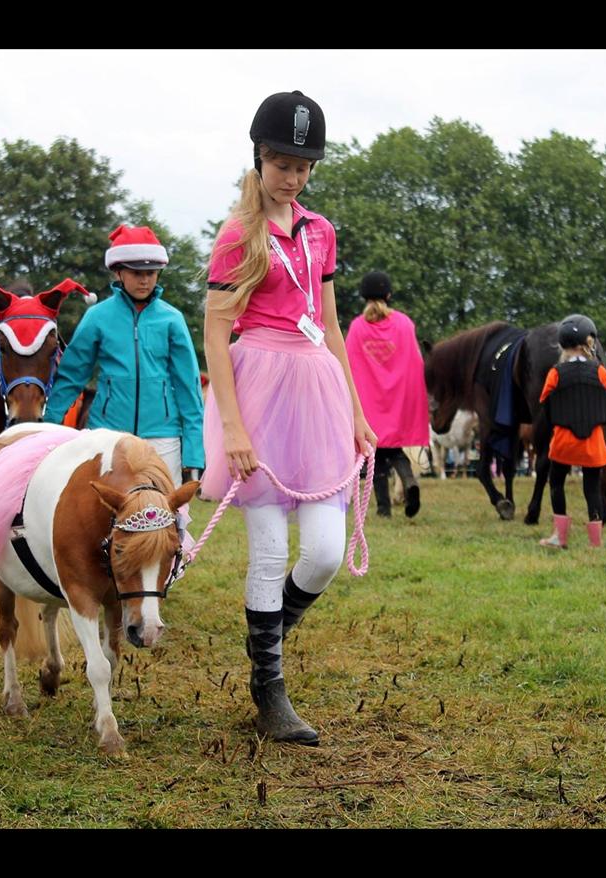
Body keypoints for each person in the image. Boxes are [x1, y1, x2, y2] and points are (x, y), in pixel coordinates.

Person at [202, 90, 377, 745]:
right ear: (259, 157)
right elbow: (216, 334)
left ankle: (265, 638)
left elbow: (329, 324)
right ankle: (269, 690)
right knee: (272, 551)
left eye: (304, 166)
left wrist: (355, 409)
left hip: (319, 390)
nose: (293, 177)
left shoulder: (321, 231)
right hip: (260, 390)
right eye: (282, 164)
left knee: (326, 554)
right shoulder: (236, 236)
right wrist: (234, 428)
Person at [44, 224, 205, 493]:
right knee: (102, 511)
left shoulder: (172, 320)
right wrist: (48, 427)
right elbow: (71, 376)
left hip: (163, 436)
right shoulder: (97, 317)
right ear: (118, 272)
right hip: (107, 435)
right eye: (136, 273)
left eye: (151, 273)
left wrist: (194, 454)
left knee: (165, 512)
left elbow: (189, 388)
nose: (145, 280)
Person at [344, 271, 429, 518]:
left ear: (363, 296)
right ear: (389, 295)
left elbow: (349, 365)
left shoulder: (358, 327)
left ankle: (384, 508)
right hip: (397, 403)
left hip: (369, 405)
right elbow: (415, 363)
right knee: (395, 451)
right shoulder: (404, 324)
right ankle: (409, 481)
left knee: (376, 454)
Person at [538, 314, 606, 550]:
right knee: (592, 487)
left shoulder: (555, 373)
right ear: (589, 341)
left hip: (564, 441)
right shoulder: (600, 371)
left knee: (556, 482)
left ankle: (560, 537)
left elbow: (546, 405)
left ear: (562, 344)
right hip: (593, 442)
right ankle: (595, 542)